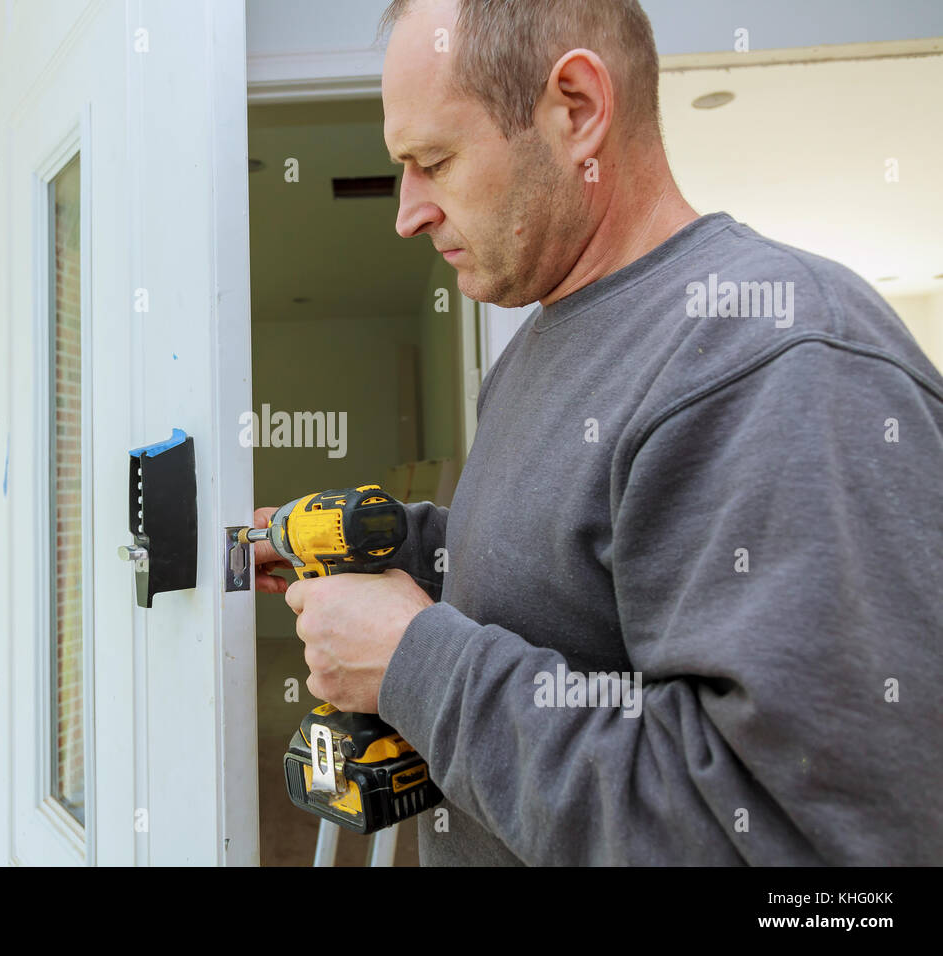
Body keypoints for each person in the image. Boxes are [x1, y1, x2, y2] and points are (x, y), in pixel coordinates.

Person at [251, 0, 943, 865]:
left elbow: (808, 854)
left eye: (433, 161)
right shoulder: (540, 343)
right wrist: (402, 549)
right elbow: (573, 585)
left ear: (576, 109)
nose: (407, 212)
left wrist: (414, 664)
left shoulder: (777, 355)